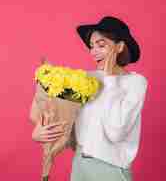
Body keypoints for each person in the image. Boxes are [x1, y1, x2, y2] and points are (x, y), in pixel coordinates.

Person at [30, 16, 148, 181]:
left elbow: (116, 132)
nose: (94, 52)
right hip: (80, 166)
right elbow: (62, 115)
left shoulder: (135, 82)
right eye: (92, 46)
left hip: (111, 169)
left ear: (120, 46)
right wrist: (39, 131)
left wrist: (110, 78)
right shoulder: (86, 80)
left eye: (101, 45)